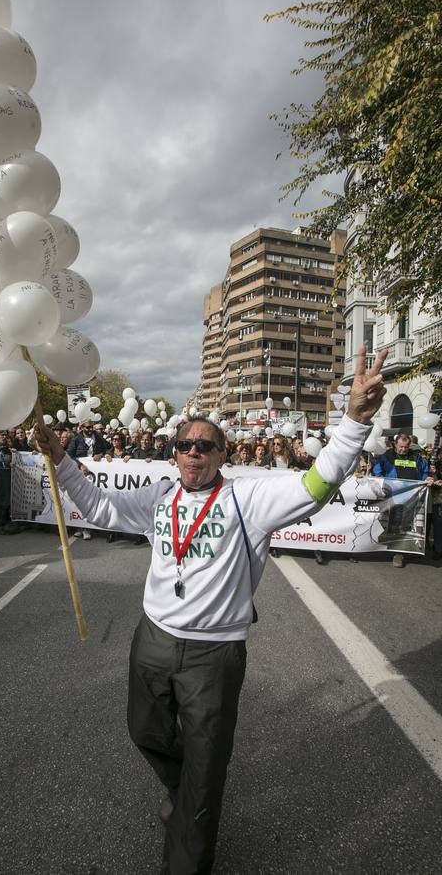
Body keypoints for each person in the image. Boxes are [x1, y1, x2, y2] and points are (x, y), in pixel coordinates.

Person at [34, 347, 388, 875]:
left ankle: (188, 842)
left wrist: (355, 419)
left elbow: (319, 482)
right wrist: (59, 460)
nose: (193, 453)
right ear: (174, 454)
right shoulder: (158, 496)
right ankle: (186, 791)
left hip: (214, 654)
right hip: (152, 640)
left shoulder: (249, 500)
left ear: (222, 455)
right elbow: (99, 504)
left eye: (205, 446)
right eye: (184, 445)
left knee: (203, 779)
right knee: (145, 733)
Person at [372, 432, 433, 567]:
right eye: (401, 447)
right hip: (393, 496)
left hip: (412, 497)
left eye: (406, 447)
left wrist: (427, 479)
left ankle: (400, 553)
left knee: (406, 524)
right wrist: (385, 485)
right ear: (395, 445)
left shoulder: (417, 458)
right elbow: (377, 472)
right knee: (393, 524)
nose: (403, 449)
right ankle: (393, 549)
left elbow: (425, 473)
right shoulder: (386, 457)